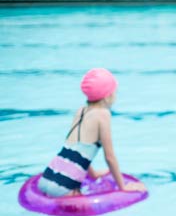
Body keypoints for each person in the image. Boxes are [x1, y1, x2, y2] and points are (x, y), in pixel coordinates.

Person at [37, 68, 146, 197]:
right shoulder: (103, 114)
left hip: (47, 177)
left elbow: (77, 149)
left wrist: (93, 175)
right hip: (65, 186)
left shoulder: (81, 111)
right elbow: (110, 157)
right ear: (107, 96)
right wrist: (123, 187)